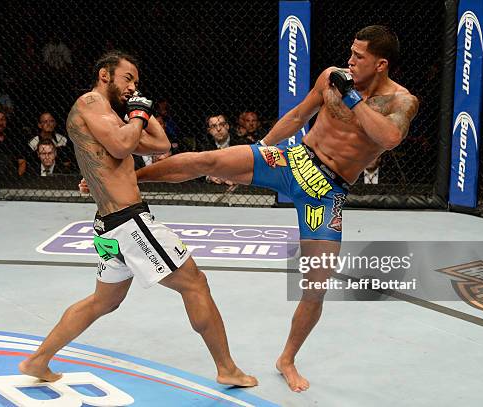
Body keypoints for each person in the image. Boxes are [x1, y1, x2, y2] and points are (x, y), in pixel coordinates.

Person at [83, 25, 419, 392]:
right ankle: (134, 178)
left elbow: (388, 138)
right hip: (295, 159)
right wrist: (259, 150)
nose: (350, 61)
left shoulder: (401, 101)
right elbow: (296, 118)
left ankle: (287, 358)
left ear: (381, 64)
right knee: (208, 160)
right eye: (351, 53)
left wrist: (352, 97)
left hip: (327, 192)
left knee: (315, 286)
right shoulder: (330, 77)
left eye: (359, 56)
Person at [19, 50, 257, 388]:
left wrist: (142, 111)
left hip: (111, 225)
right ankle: (227, 368)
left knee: (104, 301)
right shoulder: (90, 102)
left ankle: (38, 360)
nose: (132, 86)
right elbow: (120, 147)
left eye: (137, 82)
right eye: (128, 78)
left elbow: (159, 144)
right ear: (105, 75)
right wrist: (137, 115)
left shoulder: (114, 116)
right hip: (129, 222)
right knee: (194, 283)